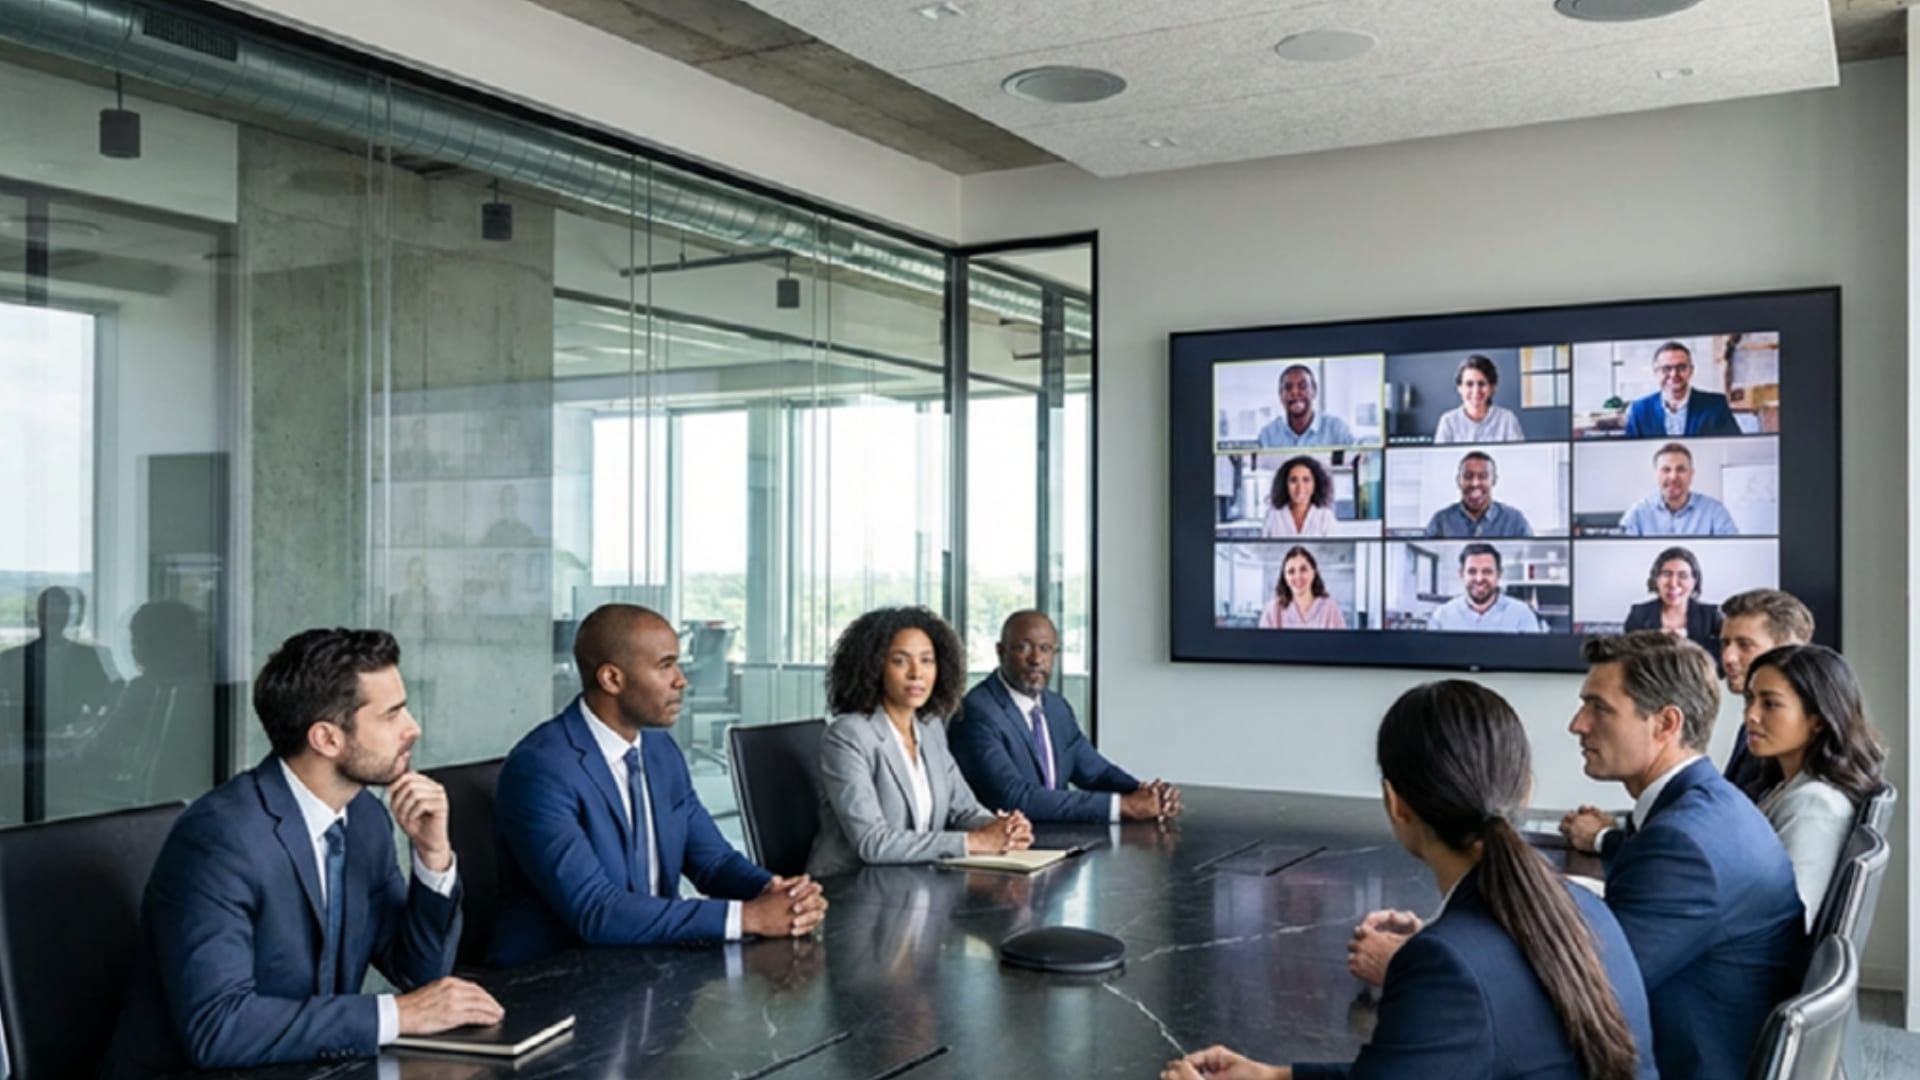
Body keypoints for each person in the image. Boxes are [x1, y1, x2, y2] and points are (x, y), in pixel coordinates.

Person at [1163, 681, 1656, 1080]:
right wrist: (1276, 1077)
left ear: (1395, 804)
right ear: (1523, 789)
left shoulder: (1445, 964)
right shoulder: (1584, 908)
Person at [103, 629, 500, 1077]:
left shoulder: (365, 819)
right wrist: (395, 1015)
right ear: (327, 739)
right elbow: (219, 1027)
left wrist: (432, 856)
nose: (413, 727)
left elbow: (418, 974)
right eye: (391, 715)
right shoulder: (219, 838)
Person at [489, 604, 825, 966]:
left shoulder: (659, 750)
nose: (682, 680)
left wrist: (776, 892)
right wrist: (749, 916)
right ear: (612, 679)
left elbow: (712, 861)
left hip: (649, 964)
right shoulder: (540, 769)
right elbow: (596, 911)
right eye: (665, 666)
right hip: (555, 979)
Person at [1558, 632, 1806, 1080]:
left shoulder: (1682, 844)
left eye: (1600, 708)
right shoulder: (1709, 805)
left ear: (1666, 724)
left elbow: (1588, 990)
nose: (1578, 724)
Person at [808, 606, 1033, 878]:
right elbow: (872, 843)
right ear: (874, 667)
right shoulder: (848, 735)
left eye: (927, 660)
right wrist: (974, 842)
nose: (917, 673)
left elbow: (963, 810)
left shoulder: (930, 728)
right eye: (900, 661)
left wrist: (1003, 828)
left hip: (913, 883)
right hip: (851, 889)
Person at [951, 610, 1181, 825]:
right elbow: (1014, 798)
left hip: (1057, 842)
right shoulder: (976, 712)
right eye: (1023, 647)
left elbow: (1095, 772)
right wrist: (1124, 806)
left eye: (1045, 648)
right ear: (1001, 651)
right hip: (1004, 851)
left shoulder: (1056, 707)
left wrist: (1146, 793)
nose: (1036, 659)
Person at [1741, 644, 1886, 928]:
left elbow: (1789, 922)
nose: (1751, 715)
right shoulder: (1786, 787)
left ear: (1817, 720)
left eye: (1770, 704)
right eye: (1750, 700)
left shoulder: (1814, 804)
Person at [1719, 589, 1816, 800]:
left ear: (1787, 651)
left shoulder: (1793, 742)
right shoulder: (1751, 727)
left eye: (1744, 645)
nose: (1728, 657)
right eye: (1725, 644)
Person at [1621, 341, 1742, 438]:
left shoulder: (1716, 405)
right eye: (1666, 368)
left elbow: (1733, 448)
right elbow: (1631, 454)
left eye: (1681, 367)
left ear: (1691, 370)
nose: (1674, 374)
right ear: (1656, 372)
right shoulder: (1639, 410)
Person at [1618, 442, 1739, 536]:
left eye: (1680, 469)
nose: (1673, 476)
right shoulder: (1638, 513)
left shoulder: (1715, 511)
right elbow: (1623, 552)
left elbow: (1732, 552)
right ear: (1657, 474)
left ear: (1691, 474)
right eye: (1666, 470)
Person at [1424, 544, 1543, 633]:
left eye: (1487, 571)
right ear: (1461, 574)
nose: (1479, 579)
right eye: (1472, 571)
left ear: (1499, 575)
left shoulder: (1522, 615)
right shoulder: (1441, 616)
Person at [1622, 546, 1723, 644]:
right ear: (1656, 579)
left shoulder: (1711, 616)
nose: (1673, 584)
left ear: (1694, 581)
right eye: (1666, 574)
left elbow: (1720, 653)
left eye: (1683, 576)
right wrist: (1656, 640)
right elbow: (1629, 654)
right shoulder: (1639, 614)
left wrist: (1687, 640)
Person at [1422, 451, 1533, 538]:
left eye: (1483, 476)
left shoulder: (1514, 520)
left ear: (1494, 480)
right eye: (1468, 476)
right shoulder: (1441, 521)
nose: (1475, 483)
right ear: (1458, 481)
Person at [1256, 365, 1357, 448]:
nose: (1295, 392)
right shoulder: (1268, 435)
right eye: (1288, 387)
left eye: (1303, 386)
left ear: (1314, 392)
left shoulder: (1336, 429)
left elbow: (1360, 455)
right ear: (1280, 395)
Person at [1433, 354, 1525, 444]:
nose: (1476, 390)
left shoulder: (1507, 420)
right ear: (1459, 387)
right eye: (1469, 384)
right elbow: (1440, 458)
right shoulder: (1448, 421)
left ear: (1493, 387)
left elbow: (1518, 457)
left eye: (1482, 384)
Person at [1257, 546, 1347, 629]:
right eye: (1291, 571)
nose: (1298, 577)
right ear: (1284, 577)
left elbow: (1341, 645)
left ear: (1314, 572)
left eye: (1303, 569)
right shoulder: (1273, 609)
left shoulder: (1330, 609)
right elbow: (1263, 644)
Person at [1262, 456, 1335, 538]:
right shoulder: (1273, 516)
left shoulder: (1325, 517)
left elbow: (1332, 550)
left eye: (1306, 480)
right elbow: (1264, 549)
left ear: (1316, 484)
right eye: (1293, 480)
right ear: (1285, 484)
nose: (1300, 487)